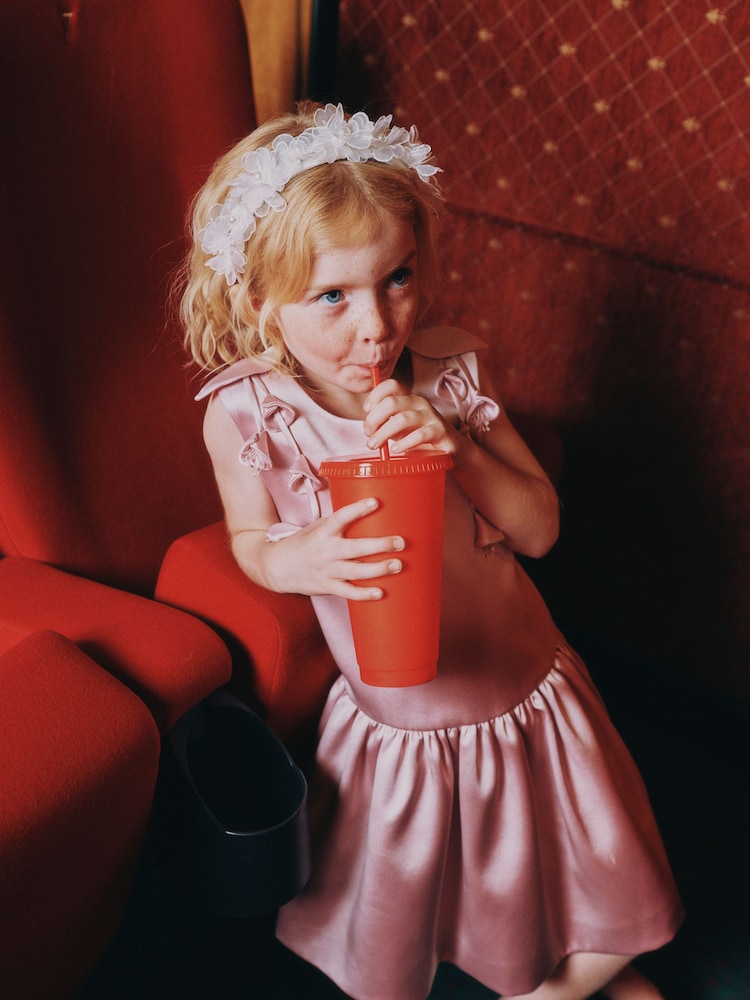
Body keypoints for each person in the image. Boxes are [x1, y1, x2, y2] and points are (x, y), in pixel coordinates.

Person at [180, 102, 683, 1000]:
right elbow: (251, 540)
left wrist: (455, 447)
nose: (376, 326)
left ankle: (555, 983)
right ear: (259, 304)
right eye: (331, 295)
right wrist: (289, 564)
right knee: (422, 896)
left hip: (521, 685)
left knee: (568, 877)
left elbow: (540, 528)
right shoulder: (246, 414)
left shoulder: (451, 375)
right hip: (399, 713)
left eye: (397, 280)